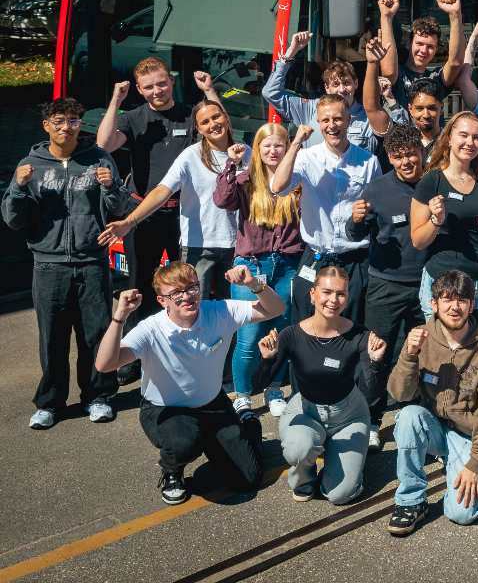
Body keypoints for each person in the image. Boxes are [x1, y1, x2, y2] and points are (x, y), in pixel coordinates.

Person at [94, 262, 284, 504]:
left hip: (213, 404)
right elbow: (105, 364)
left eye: (192, 288)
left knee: (248, 479)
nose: (187, 297)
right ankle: (172, 470)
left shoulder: (220, 311)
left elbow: (276, 309)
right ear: (162, 300)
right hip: (166, 409)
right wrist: (119, 317)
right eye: (176, 293)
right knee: (184, 442)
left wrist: (253, 283)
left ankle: (243, 424)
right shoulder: (151, 329)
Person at [4, 98, 131, 428]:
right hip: (49, 265)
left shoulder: (98, 159)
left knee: (96, 334)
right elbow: (13, 220)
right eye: (59, 121)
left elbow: (120, 208)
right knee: (53, 338)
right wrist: (18, 186)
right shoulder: (30, 164)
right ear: (46, 126)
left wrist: (110, 186)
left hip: (92, 262)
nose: (66, 127)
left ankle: (98, 397)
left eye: (73, 121)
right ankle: (50, 403)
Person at [96, 57, 217, 383]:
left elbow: (220, 128)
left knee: (184, 285)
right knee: (138, 285)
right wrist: (116, 101)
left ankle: (179, 349)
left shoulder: (191, 114)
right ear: (139, 89)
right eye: (148, 87)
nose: (157, 91)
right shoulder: (133, 118)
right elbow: (103, 144)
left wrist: (209, 91)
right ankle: (132, 355)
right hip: (144, 215)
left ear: (172, 81)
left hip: (184, 214)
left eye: (162, 83)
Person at [255, 265, 387, 504]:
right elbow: (262, 383)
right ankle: (304, 477)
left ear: (347, 297)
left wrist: (376, 363)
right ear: (313, 293)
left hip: (349, 415)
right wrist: (267, 360)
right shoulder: (291, 335)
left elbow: (372, 391)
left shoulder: (360, 335)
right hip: (306, 410)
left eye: (340, 294)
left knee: (340, 495)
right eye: (326, 292)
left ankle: (340, 465)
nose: (333, 300)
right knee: (298, 448)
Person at [388, 271, 478, 533]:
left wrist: (475, 463)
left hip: (468, 434)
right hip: (434, 428)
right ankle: (411, 500)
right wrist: (409, 355)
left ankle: (477, 463)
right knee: (409, 416)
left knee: (462, 514)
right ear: (434, 304)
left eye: (462, 300)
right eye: (447, 299)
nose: (454, 307)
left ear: (471, 305)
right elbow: (399, 394)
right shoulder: (421, 336)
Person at [99, 100, 242, 301]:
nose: (213, 124)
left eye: (216, 117)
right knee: (194, 310)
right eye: (205, 122)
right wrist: (129, 221)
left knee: (237, 310)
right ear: (198, 128)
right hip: (199, 247)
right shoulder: (191, 156)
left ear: (226, 118)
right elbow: (162, 191)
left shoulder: (247, 153)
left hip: (239, 246)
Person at [213, 123, 303, 421]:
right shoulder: (245, 179)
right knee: (249, 336)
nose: (273, 151)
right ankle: (242, 394)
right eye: (267, 146)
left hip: (288, 264)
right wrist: (231, 163)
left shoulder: (298, 181)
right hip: (250, 265)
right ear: (257, 150)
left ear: (287, 148)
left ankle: (274, 389)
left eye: (279, 145)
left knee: (280, 332)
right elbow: (222, 200)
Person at [346, 124, 428, 449]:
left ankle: (422, 415)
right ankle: (370, 418)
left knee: (425, 354)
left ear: (421, 152)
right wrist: (354, 219)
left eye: (411, 154)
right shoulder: (377, 189)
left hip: (427, 284)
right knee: (376, 353)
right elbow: (355, 234)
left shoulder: (434, 183)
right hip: (386, 284)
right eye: (398, 156)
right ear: (390, 158)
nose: (406, 161)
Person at [270, 95, 381, 324]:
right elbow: (278, 187)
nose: (332, 125)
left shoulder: (369, 161)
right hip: (316, 257)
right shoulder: (306, 157)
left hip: (354, 260)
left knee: (351, 326)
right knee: (305, 323)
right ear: (318, 123)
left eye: (338, 119)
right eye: (325, 120)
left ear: (349, 120)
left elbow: (377, 210)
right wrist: (295, 143)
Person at [410, 111, 478, 318]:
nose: (470, 142)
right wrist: (435, 221)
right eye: (464, 135)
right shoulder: (431, 181)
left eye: (477, 137)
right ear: (449, 138)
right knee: (439, 339)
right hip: (442, 284)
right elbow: (418, 241)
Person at [262, 31, 377, 150]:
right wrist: (291, 52)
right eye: (336, 84)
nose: (342, 89)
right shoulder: (311, 109)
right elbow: (271, 93)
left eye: (346, 83)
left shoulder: (369, 116)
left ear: (356, 84)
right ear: (327, 88)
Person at [377, 0, 466, 107]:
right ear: (409, 43)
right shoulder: (398, 73)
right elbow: (389, 72)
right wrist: (386, 17)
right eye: (419, 44)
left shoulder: (436, 78)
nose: (424, 50)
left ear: (436, 49)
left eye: (430, 47)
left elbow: (455, 63)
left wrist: (455, 15)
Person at [362, 37, 444, 161]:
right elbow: (372, 107)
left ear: (441, 108)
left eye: (432, 108)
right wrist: (372, 63)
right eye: (419, 108)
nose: (426, 114)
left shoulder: (452, 141)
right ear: (410, 109)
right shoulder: (399, 136)